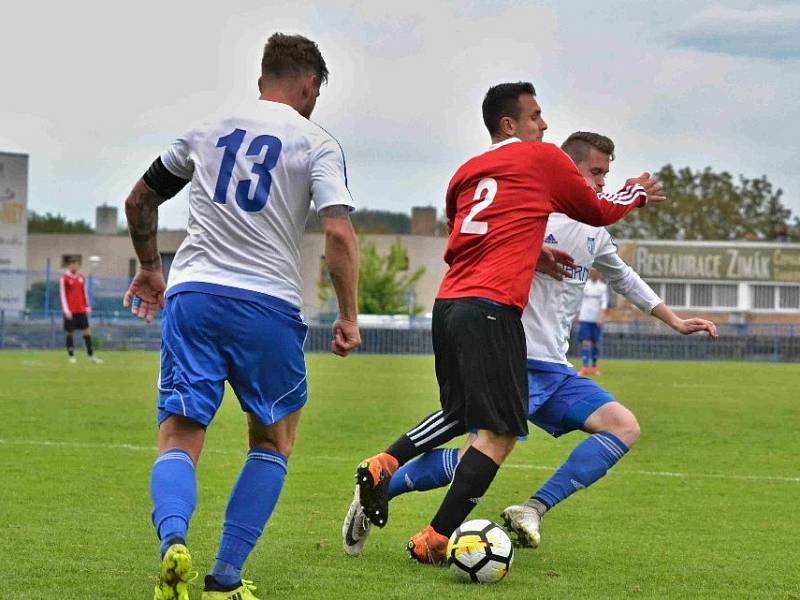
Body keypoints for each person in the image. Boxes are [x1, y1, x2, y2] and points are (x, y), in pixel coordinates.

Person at [343, 131, 716, 555]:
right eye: (594, 172)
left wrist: (676, 321)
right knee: (479, 453)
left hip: (555, 367)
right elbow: (476, 235)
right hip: (513, 355)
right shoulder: (532, 213)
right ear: (567, 170)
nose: (599, 183)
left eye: (605, 175)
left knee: (623, 427)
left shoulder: (593, 232)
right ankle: (386, 495)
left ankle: (532, 509)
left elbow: (623, 276)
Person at [123, 33, 361, 600]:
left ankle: (173, 542)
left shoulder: (205, 130)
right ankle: (225, 579)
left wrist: (151, 268)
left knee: (179, 436)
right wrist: (349, 313)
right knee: (272, 442)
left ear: (261, 80)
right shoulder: (317, 142)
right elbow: (336, 230)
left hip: (195, 294)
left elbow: (139, 200)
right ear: (309, 86)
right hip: (266, 304)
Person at [60, 255, 101, 364]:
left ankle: (90, 356)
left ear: (78, 266)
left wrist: (87, 306)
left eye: (76, 264)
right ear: (69, 265)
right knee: (69, 333)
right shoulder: (64, 278)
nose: (74, 266)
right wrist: (66, 310)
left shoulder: (82, 277)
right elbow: (63, 295)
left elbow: (84, 293)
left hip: (81, 309)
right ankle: (71, 356)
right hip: (70, 311)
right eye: (72, 264)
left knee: (87, 332)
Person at [577, 267, 608, 375]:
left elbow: (604, 303)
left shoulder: (602, 287)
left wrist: (601, 317)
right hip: (585, 318)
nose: (594, 274)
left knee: (595, 343)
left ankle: (594, 367)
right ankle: (585, 367)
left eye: (597, 272)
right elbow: (578, 300)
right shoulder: (584, 285)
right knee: (586, 342)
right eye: (593, 272)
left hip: (596, 319)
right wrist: (577, 314)